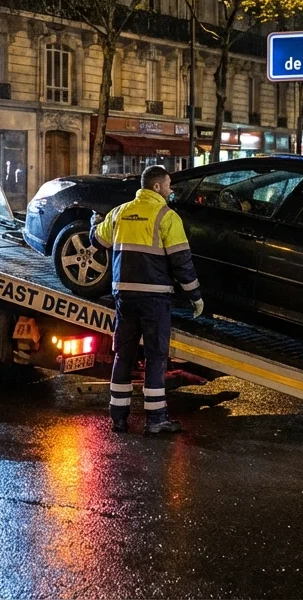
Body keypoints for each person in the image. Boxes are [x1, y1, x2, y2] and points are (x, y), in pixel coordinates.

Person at [92, 165, 203, 435]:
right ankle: (156, 420)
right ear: (156, 187)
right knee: (155, 357)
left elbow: (97, 240)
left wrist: (92, 222)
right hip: (154, 298)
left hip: (124, 296)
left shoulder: (120, 212)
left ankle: (118, 417)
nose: (170, 190)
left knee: (124, 354)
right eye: (168, 185)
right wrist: (195, 295)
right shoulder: (167, 216)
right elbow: (181, 261)